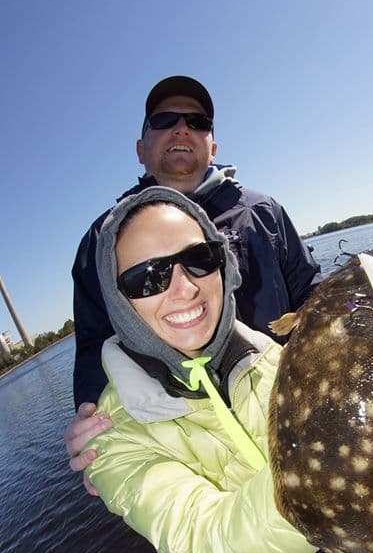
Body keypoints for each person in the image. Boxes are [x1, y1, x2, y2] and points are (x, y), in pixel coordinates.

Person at [83, 185, 373, 553]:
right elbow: (208, 545)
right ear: (119, 301)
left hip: (305, 541)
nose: (184, 287)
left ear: (222, 265)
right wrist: (330, 467)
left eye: (198, 259)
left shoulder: (270, 356)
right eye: (147, 277)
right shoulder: (110, 437)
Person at [66, 75, 320, 487]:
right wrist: (95, 425)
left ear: (213, 147)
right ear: (140, 150)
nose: (182, 128)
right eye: (164, 120)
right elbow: (95, 344)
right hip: (194, 456)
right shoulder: (102, 240)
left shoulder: (263, 211)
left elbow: (311, 293)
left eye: (198, 122)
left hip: (291, 410)